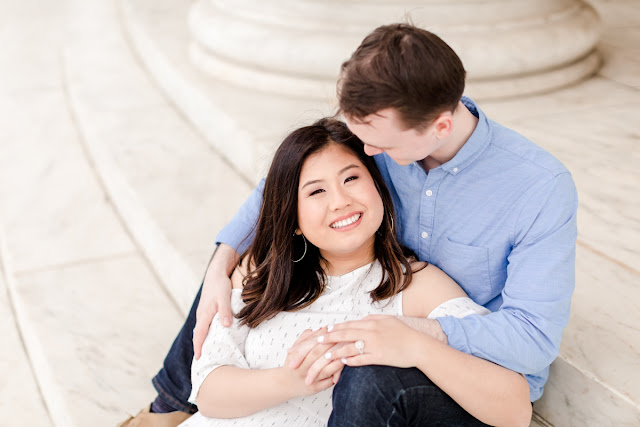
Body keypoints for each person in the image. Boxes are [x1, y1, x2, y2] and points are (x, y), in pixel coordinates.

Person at [120, 23, 577, 426]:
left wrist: (416, 336)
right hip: (366, 290)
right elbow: (278, 192)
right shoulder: (383, 127)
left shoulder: (538, 188)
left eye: (376, 146)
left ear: (439, 127)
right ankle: (168, 408)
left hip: (461, 359)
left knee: (367, 374)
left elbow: (533, 341)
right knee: (238, 268)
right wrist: (219, 267)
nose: (368, 152)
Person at [179, 118, 531, 427]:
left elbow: (514, 408)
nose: (340, 201)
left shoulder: (415, 285)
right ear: (294, 220)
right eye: (316, 191)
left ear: (378, 187)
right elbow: (207, 390)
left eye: (351, 178)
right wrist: (293, 380)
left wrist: (415, 346)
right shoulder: (259, 271)